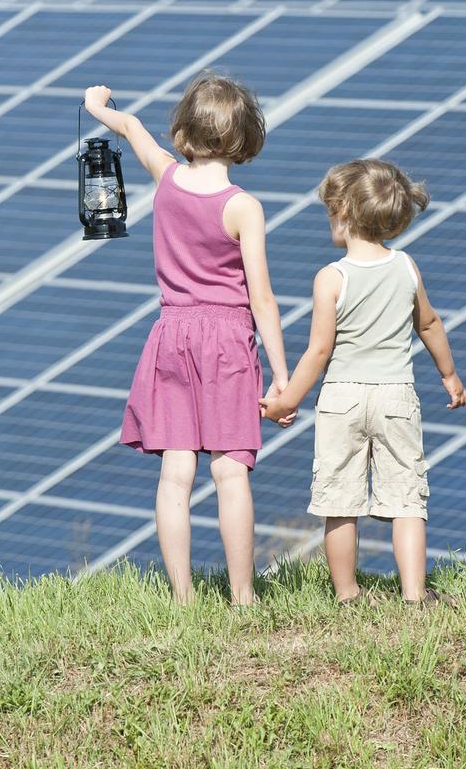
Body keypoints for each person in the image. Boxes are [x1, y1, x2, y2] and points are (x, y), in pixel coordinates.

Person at [82, 73, 291, 606]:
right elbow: (262, 298)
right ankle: (242, 596)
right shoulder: (243, 207)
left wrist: (96, 105)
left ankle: (182, 597)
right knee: (230, 471)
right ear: (246, 138)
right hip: (226, 341)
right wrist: (284, 375)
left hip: (173, 336)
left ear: (183, 132)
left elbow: (130, 127)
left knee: (176, 475)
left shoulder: (166, 178)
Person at [260, 158, 466, 605]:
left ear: (347, 215)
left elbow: (318, 352)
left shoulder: (331, 278)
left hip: (342, 400)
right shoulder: (407, 267)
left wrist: (287, 401)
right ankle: (414, 594)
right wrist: (448, 375)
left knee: (340, 501)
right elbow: (429, 324)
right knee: (407, 499)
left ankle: (348, 595)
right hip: (396, 396)